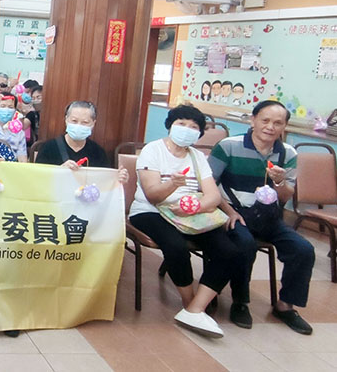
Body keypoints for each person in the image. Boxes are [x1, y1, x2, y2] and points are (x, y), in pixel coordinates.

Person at [128, 105, 247, 338]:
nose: (186, 129)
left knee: (229, 252)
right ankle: (189, 302)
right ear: (170, 125)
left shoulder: (197, 157)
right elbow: (152, 195)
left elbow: (213, 196)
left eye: (193, 127)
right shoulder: (153, 150)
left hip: (191, 214)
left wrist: (193, 208)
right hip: (150, 211)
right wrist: (172, 184)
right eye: (181, 124)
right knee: (176, 246)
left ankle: (195, 309)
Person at [209, 100, 315, 335]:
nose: (270, 127)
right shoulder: (228, 146)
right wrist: (230, 212)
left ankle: (285, 305)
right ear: (253, 120)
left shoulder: (288, 153)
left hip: (268, 215)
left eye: (278, 123)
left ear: (284, 127)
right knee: (245, 244)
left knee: (303, 249)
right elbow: (208, 185)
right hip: (233, 212)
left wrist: (279, 181)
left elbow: (285, 196)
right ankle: (240, 302)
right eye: (265, 120)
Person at [35, 101, 109, 168]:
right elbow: (38, 175)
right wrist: (60, 170)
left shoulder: (98, 152)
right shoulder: (48, 148)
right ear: (66, 120)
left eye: (85, 122)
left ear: (93, 123)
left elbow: (105, 176)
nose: (78, 126)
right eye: (74, 121)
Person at [0, 94, 28, 162]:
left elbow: (22, 160)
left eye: (10, 107)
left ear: (15, 111)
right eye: (3, 106)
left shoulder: (19, 133)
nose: (6, 110)